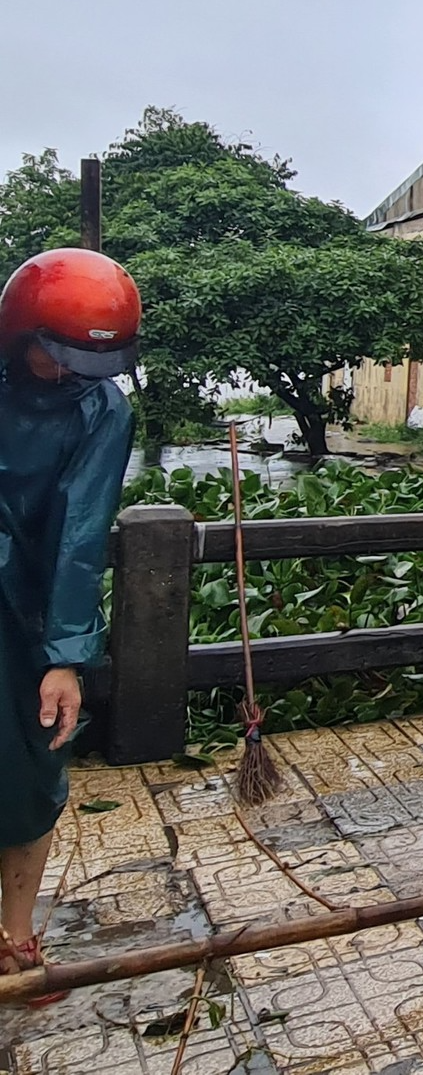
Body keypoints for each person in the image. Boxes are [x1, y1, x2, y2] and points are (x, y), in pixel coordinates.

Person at [0, 249, 139, 984]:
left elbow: (81, 533)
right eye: (56, 359)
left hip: (25, 614)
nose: (70, 375)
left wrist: (64, 655)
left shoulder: (101, 407)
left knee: (29, 772)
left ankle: (14, 936)